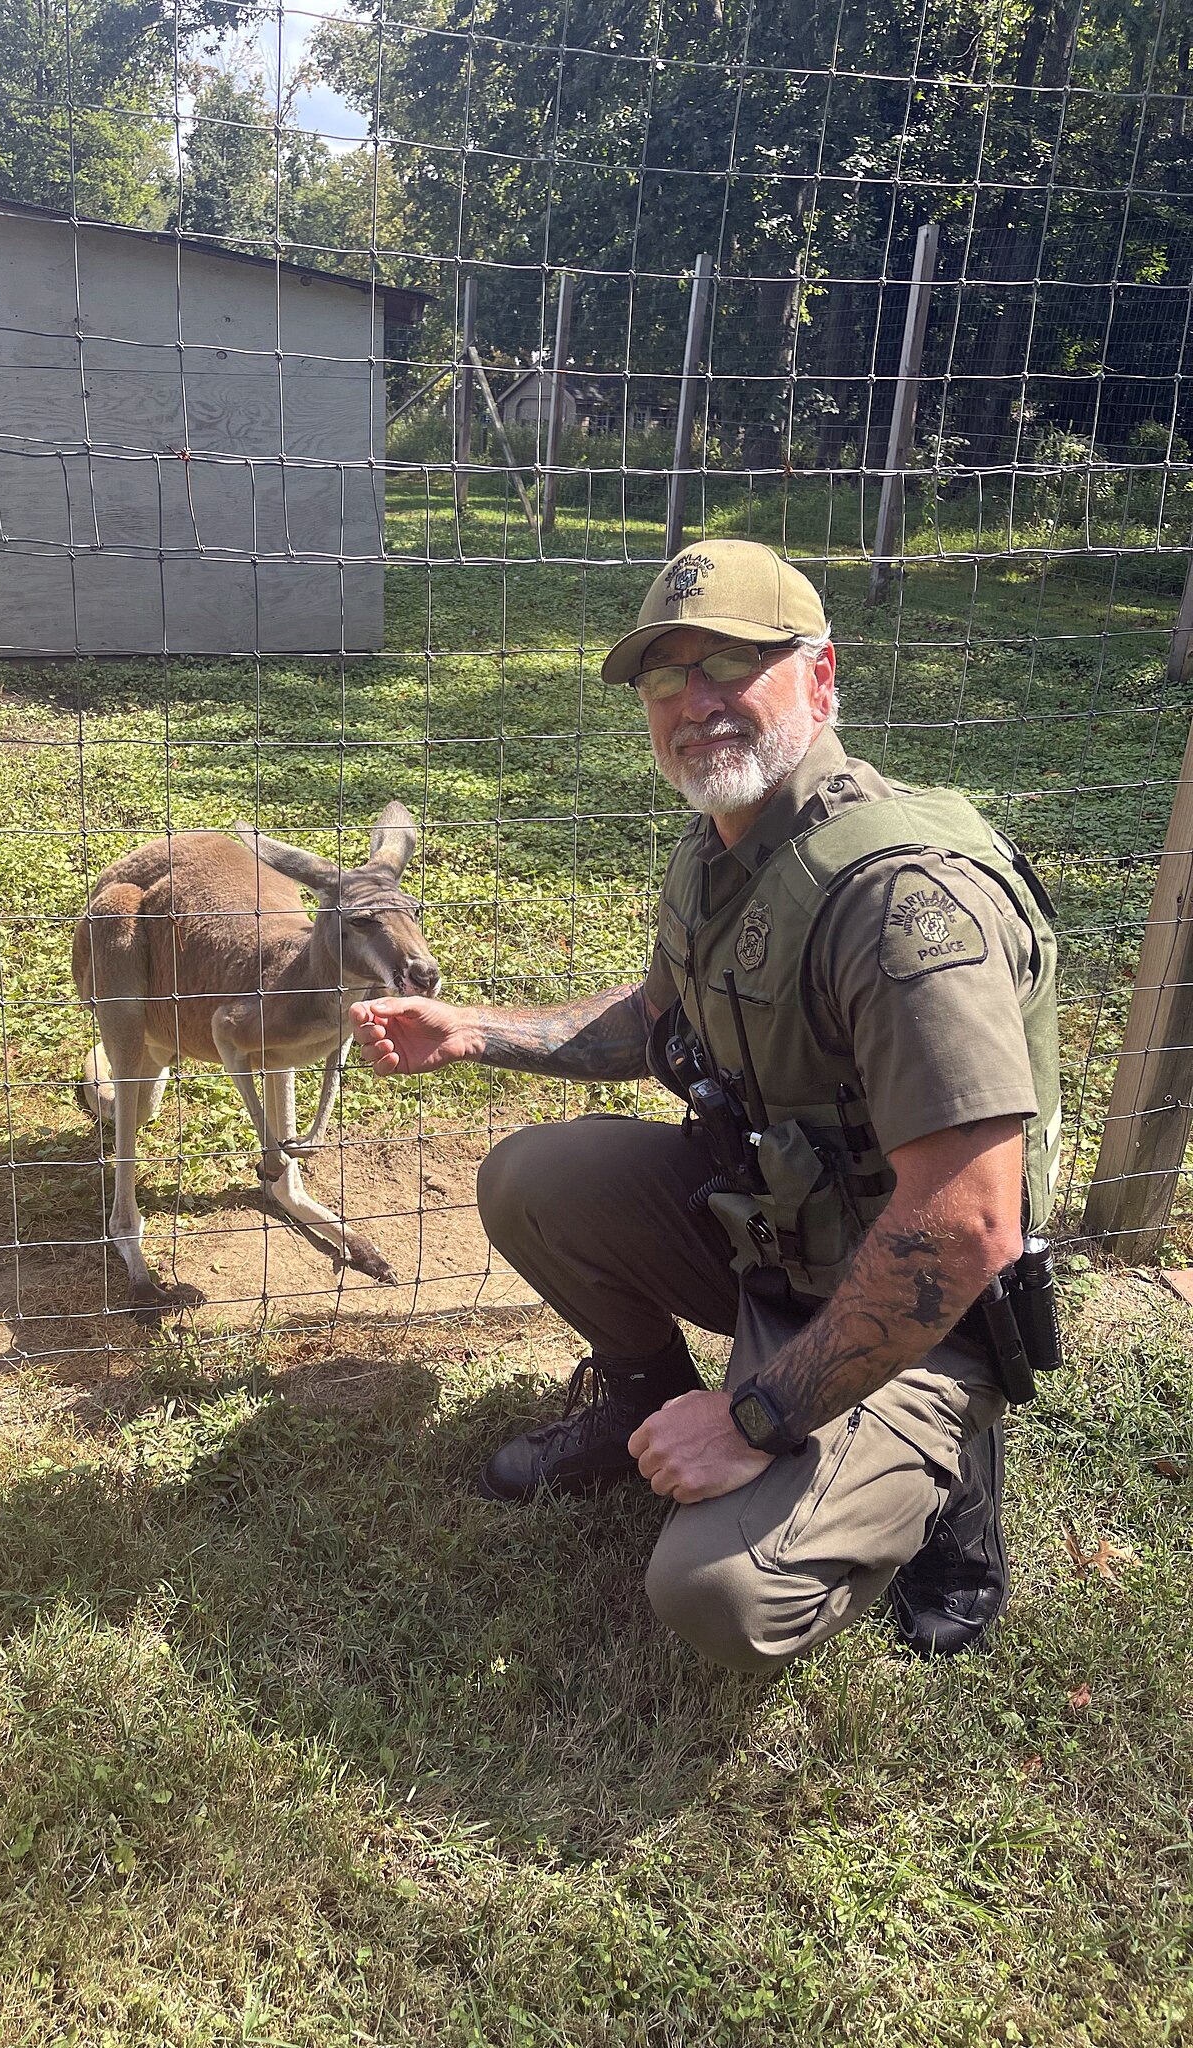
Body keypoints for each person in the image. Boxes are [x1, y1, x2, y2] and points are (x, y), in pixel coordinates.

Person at [350, 539, 1060, 1672]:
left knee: (720, 1595)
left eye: (733, 662)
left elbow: (966, 1224)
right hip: (776, 1234)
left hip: (922, 1307)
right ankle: (644, 1401)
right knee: (532, 1180)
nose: (697, 702)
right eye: (665, 677)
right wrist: (476, 1029)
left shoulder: (902, 899)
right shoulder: (725, 846)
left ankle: (946, 1486)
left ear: (820, 679)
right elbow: (656, 1022)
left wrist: (753, 1419)